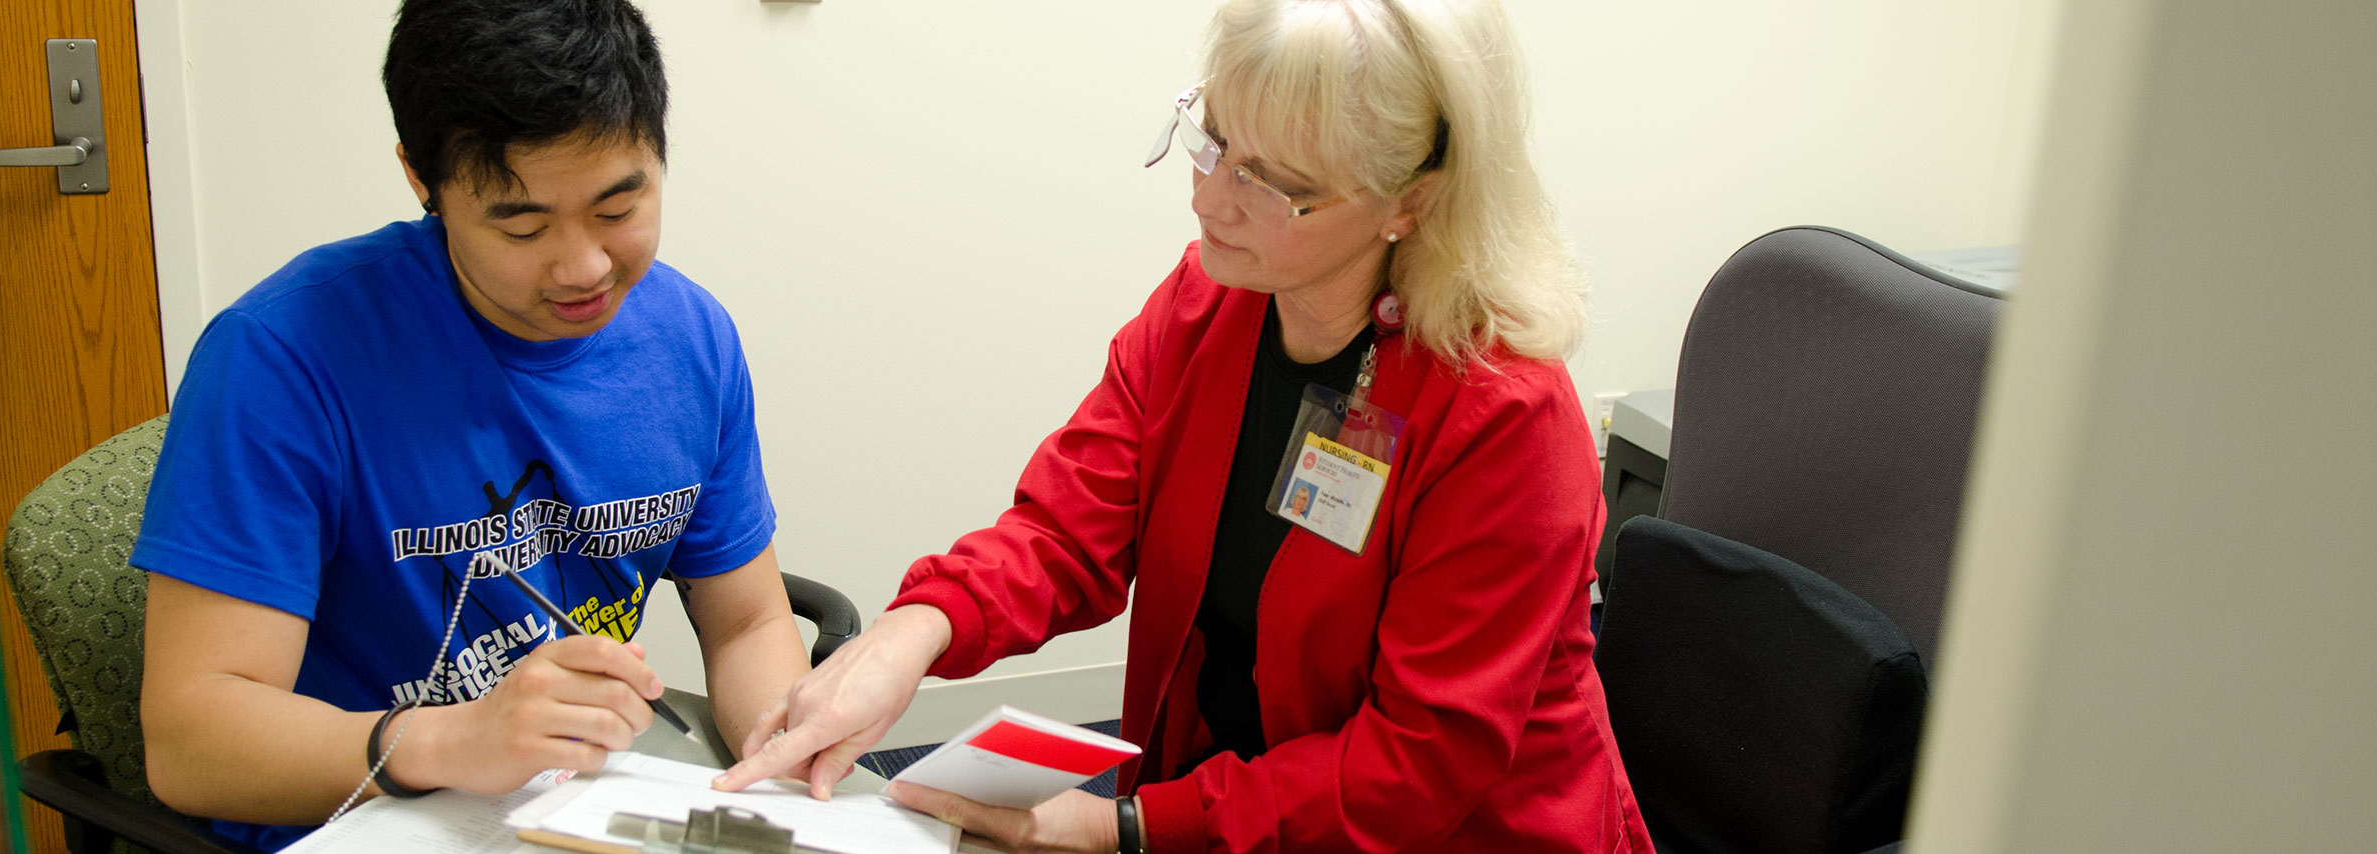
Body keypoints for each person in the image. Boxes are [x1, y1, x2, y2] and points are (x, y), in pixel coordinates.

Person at [714, 1, 1654, 851]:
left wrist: (1128, 827)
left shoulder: (1505, 416)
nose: (1207, 199)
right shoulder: (1214, 305)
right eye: (1212, 141)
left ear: (1412, 200)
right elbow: (1064, 531)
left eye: (1271, 183)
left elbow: (1419, 762)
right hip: (1227, 799)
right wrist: (910, 635)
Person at [133, 1, 808, 849]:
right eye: (521, 223)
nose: (586, 267)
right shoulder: (282, 356)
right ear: (423, 180)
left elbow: (747, 622)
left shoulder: (688, 338)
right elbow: (193, 745)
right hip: (360, 821)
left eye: (617, 207)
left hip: (575, 807)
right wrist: (450, 739)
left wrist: (782, 754)